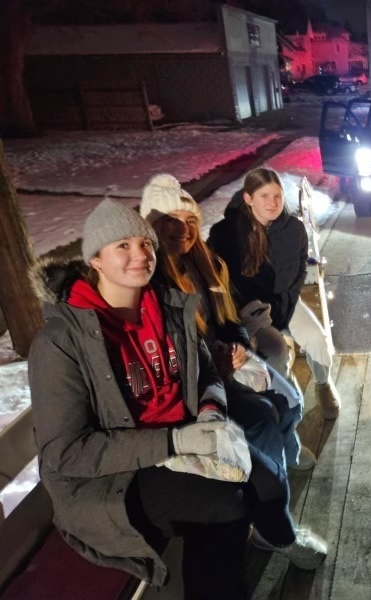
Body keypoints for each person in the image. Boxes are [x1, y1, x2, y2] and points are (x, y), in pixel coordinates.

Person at [27, 201, 323, 600]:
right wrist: (176, 440)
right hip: (117, 475)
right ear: (95, 260)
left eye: (145, 244)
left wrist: (211, 412)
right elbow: (65, 453)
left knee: (269, 476)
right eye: (122, 246)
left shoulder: (166, 307)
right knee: (226, 503)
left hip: (185, 435)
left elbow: (206, 372)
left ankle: (280, 538)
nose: (140, 254)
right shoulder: (62, 341)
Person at [140, 173, 316, 472]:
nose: (183, 229)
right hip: (201, 374)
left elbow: (229, 313)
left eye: (190, 220)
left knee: (292, 400)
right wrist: (215, 362)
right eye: (171, 220)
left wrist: (239, 342)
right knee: (263, 414)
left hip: (233, 345)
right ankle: (273, 477)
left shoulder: (205, 263)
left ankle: (287, 453)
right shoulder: (153, 280)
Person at [208, 168, 341, 420]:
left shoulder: (292, 229)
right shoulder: (227, 233)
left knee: (316, 337)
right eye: (264, 196)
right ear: (248, 198)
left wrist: (287, 303)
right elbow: (222, 279)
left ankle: (323, 383)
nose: (273, 203)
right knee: (274, 351)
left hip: (284, 301)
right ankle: (286, 394)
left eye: (277, 195)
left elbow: (299, 269)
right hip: (250, 309)